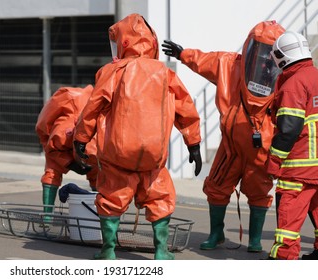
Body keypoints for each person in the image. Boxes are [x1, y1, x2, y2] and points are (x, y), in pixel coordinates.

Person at [73, 13, 202, 260]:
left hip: (117, 153)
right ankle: (161, 252)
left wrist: (81, 138)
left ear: (123, 43)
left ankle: (108, 250)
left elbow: (93, 107)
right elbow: (186, 109)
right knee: (159, 197)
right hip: (153, 154)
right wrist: (193, 144)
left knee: (111, 198)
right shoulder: (165, 73)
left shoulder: (111, 72)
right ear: (151, 42)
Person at [162, 21, 285, 252]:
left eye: (268, 52)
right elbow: (204, 60)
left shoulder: (283, 75)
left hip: (261, 147)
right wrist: (182, 53)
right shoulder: (229, 65)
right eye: (259, 49)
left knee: (259, 190)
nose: (263, 57)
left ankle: (255, 239)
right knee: (217, 187)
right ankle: (216, 233)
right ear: (250, 47)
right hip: (231, 146)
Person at [266, 31, 318, 260]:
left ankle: (284, 259)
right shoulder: (315, 76)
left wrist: (273, 163)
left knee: (289, 217)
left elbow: (288, 129)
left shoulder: (293, 84)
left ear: (281, 56)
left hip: (298, 168)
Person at [35, 85, 98, 221]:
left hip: (86, 144)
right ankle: (47, 217)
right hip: (60, 141)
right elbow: (52, 149)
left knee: (97, 173)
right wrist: (70, 163)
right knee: (52, 172)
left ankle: (99, 215)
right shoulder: (62, 134)